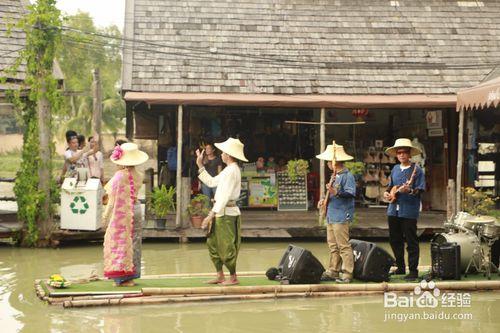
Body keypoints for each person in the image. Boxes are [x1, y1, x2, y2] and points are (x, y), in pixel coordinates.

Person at [195, 137, 248, 286]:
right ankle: (220, 275)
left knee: (227, 245)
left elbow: (224, 196)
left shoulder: (232, 171)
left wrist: (210, 215)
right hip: (220, 211)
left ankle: (233, 277)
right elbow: (212, 182)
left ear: (229, 155)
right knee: (212, 243)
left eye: (223, 152)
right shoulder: (228, 170)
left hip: (227, 213)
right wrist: (200, 165)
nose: (221, 155)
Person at [103, 142, 148, 287]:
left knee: (121, 241)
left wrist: (105, 217)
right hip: (135, 208)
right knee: (134, 241)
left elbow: (112, 200)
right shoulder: (140, 175)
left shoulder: (119, 176)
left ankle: (122, 277)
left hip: (123, 213)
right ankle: (131, 276)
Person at [383, 138, 425, 281]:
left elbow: (420, 190)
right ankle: (400, 266)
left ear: (410, 154)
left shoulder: (417, 170)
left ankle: (413, 271)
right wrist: (387, 193)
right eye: (399, 153)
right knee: (394, 239)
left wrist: (410, 190)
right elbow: (391, 186)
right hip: (393, 209)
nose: (401, 155)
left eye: (404, 152)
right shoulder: (395, 169)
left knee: (411, 240)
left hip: (409, 210)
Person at [316, 143, 356, 283]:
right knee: (333, 245)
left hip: (341, 214)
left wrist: (336, 192)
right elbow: (330, 194)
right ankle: (333, 270)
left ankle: (347, 273)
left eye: (328, 161)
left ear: (334, 162)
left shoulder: (347, 176)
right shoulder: (334, 176)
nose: (327, 163)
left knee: (343, 245)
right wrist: (323, 200)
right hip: (331, 214)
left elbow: (351, 193)